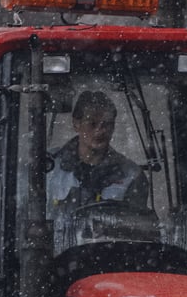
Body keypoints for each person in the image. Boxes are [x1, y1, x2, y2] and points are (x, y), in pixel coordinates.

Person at [47, 90, 149, 223]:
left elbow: (137, 230)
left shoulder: (131, 175)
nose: (100, 131)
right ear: (76, 124)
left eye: (107, 124)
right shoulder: (48, 166)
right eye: (92, 123)